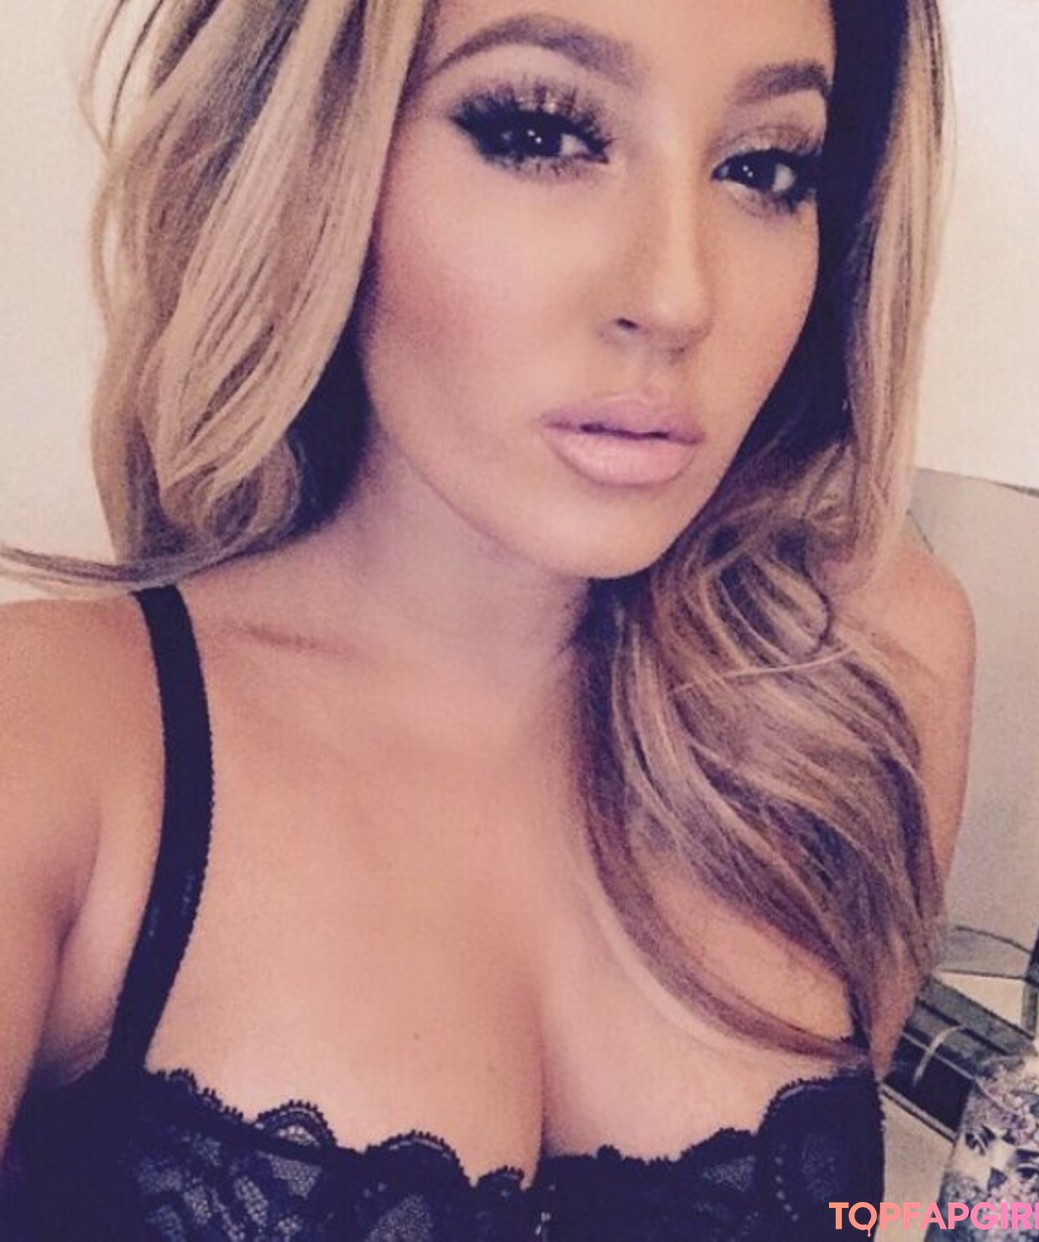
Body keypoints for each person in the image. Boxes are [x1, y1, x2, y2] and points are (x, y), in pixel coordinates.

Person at [0, 0, 974, 1237]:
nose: (678, 296)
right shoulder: (56, 746)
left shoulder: (859, 677)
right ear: (316, 162)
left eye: (765, 167)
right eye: (540, 132)